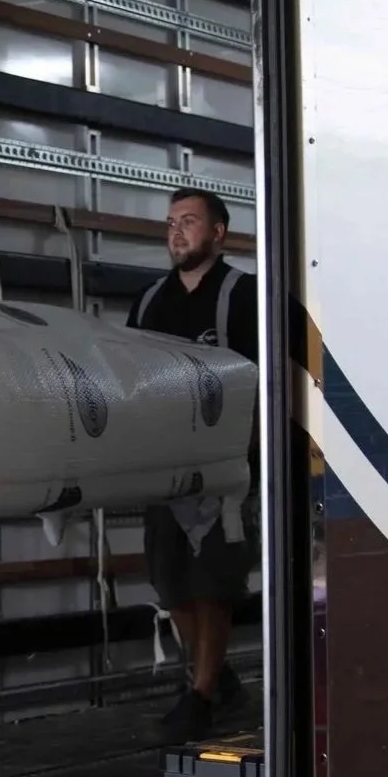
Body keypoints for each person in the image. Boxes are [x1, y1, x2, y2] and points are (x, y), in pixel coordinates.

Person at [126, 186, 258, 744]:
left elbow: (264, 378)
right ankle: (218, 677)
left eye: (189, 221)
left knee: (213, 582)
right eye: (171, 223)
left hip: (226, 468)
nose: (177, 231)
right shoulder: (150, 299)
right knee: (170, 582)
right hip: (164, 466)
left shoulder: (245, 295)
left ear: (219, 232)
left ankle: (201, 694)